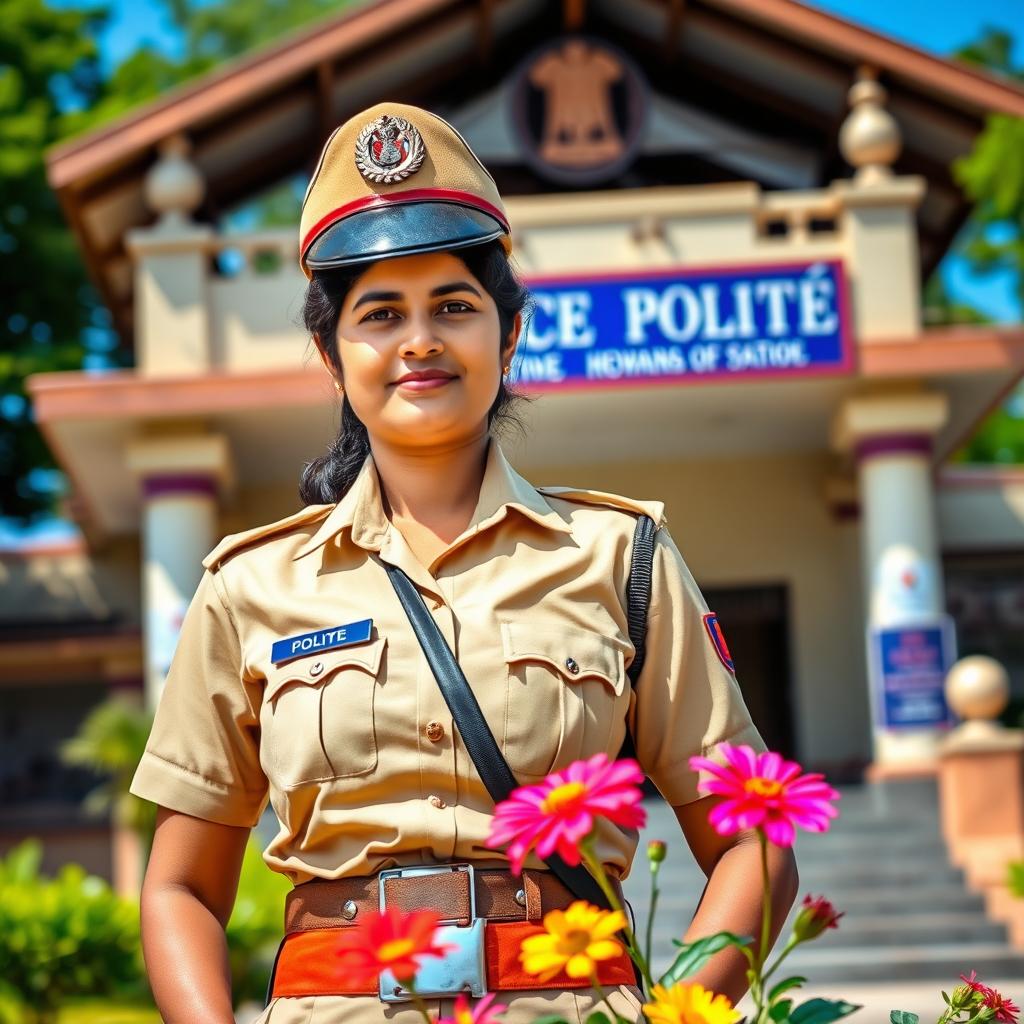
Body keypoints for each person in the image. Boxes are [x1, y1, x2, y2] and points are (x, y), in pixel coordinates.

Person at [128, 101, 798, 1024]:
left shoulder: (620, 558)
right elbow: (181, 891)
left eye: (454, 306)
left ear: (509, 334)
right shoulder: (248, 587)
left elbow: (753, 847)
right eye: (380, 313)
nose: (419, 341)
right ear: (331, 355)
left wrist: (676, 1016)